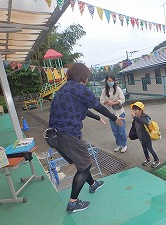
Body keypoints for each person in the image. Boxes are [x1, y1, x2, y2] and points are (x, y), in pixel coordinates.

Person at [48, 63, 124, 214]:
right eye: (87, 75)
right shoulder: (80, 88)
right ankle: (73, 203)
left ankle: (93, 184)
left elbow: (83, 108)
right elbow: (98, 106)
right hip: (68, 134)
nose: (88, 78)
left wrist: (97, 118)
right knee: (84, 166)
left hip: (55, 135)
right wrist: (114, 118)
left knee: (81, 162)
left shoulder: (64, 89)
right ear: (82, 76)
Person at [128, 101, 160, 168]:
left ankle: (157, 160)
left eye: (136, 109)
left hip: (146, 137)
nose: (134, 111)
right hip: (141, 137)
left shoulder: (145, 117)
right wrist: (130, 134)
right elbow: (133, 127)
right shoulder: (135, 118)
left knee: (150, 149)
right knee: (144, 149)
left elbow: (143, 122)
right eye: (133, 110)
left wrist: (135, 117)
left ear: (141, 110)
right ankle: (148, 159)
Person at [100, 75, 127, 153]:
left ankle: (124, 144)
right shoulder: (104, 91)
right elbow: (101, 101)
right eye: (109, 81)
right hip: (110, 114)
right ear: (106, 81)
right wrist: (106, 102)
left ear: (114, 81)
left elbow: (122, 99)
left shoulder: (118, 89)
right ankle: (119, 144)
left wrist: (113, 103)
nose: (110, 82)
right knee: (115, 131)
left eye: (112, 81)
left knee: (121, 130)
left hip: (119, 112)